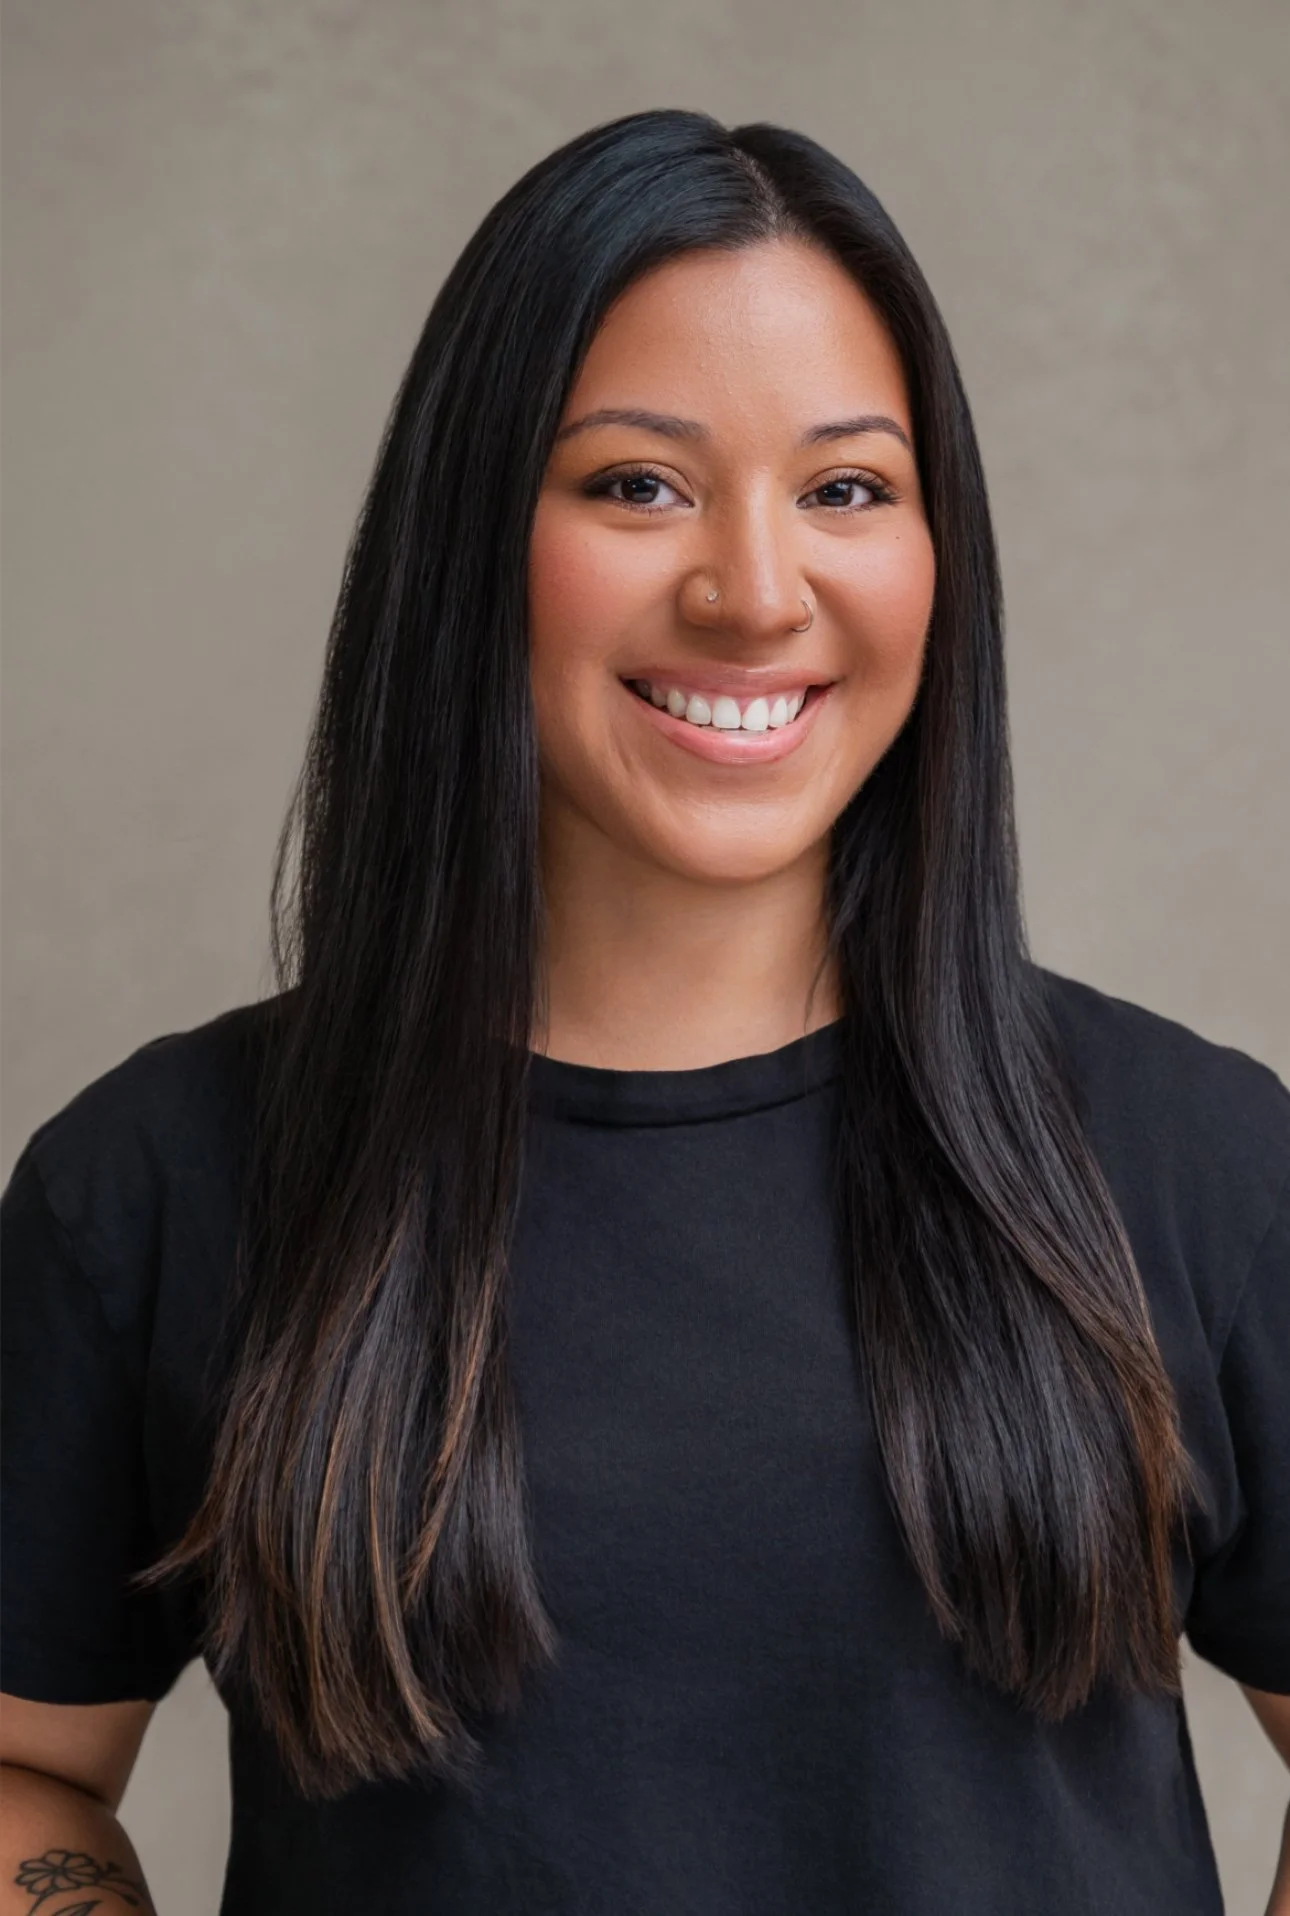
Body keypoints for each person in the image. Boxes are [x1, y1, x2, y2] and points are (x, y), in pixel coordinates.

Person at [1, 107, 1287, 1916]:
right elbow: (28, 1765)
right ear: (471, 534)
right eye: (636, 484)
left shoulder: (1193, 1164)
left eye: (847, 488)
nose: (755, 592)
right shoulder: (158, 1181)